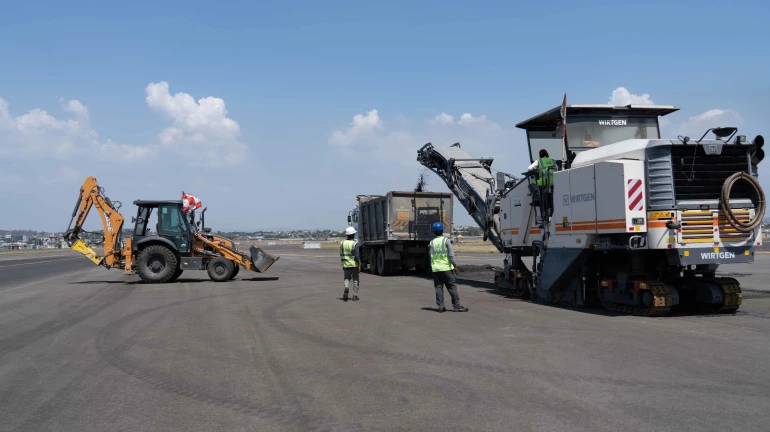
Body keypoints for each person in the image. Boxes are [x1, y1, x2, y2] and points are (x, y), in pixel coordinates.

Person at [429, 222, 468, 313]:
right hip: (446, 268)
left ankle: (441, 307)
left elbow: (430, 256)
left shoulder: (431, 242)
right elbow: (451, 255)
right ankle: (457, 306)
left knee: (438, 288)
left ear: (434, 232)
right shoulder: (446, 241)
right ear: (442, 230)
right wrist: (455, 266)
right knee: (452, 287)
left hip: (436, 269)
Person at [340, 226, 361, 301]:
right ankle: (355, 296)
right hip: (354, 265)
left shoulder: (342, 243)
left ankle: (346, 287)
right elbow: (357, 255)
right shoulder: (354, 243)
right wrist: (359, 265)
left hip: (345, 264)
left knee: (346, 278)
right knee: (355, 279)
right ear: (352, 235)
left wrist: (343, 264)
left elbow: (341, 254)